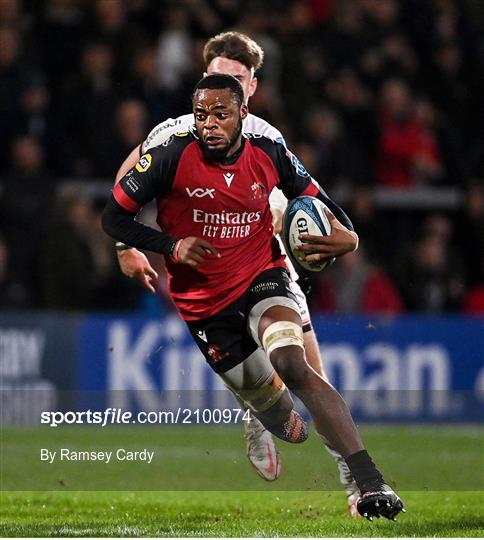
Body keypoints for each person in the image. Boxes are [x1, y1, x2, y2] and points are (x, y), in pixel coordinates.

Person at [103, 73, 405, 522]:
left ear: (243, 113)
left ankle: (371, 484)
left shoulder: (269, 151)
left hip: (262, 274)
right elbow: (113, 217)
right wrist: (171, 246)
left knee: (291, 362)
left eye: (221, 114)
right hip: (203, 302)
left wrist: (350, 237)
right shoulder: (168, 155)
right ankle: (263, 415)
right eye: (202, 114)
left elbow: (318, 199)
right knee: (287, 423)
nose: (209, 124)